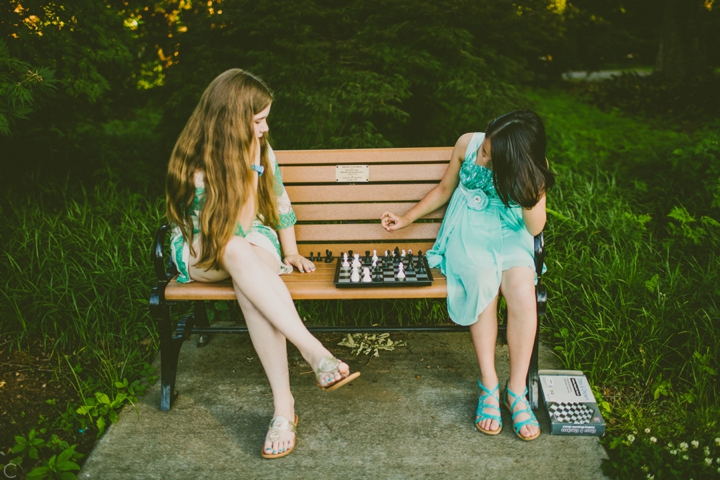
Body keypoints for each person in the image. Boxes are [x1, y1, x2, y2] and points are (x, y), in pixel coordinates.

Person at [165, 68, 360, 458]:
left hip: (253, 244)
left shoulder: (261, 147)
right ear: (231, 119)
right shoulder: (193, 158)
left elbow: (279, 201)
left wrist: (289, 251)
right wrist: (250, 167)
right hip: (201, 247)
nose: (264, 127)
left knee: (247, 278)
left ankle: (283, 410)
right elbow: (226, 228)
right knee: (235, 250)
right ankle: (313, 351)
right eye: (257, 120)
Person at [380, 110, 554, 441]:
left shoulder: (531, 168)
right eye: (484, 147)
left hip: (511, 230)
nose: (481, 155)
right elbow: (445, 189)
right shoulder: (468, 144)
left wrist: (531, 195)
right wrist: (406, 219)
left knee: (521, 291)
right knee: (481, 281)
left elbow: (534, 228)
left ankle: (515, 390)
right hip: (469, 228)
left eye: (488, 154)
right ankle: (488, 383)